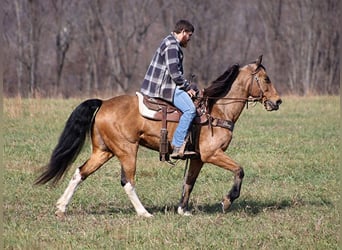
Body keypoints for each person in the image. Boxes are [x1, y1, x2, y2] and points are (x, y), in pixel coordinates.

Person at [141, 19, 198, 159]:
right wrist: (187, 87)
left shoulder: (169, 41)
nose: (189, 39)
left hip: (162, 85)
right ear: (183, 32)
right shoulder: (172, 46)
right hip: (164, 88)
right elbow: (174, 73)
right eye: (189, 35)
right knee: (190, 110)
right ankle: (177, 146)